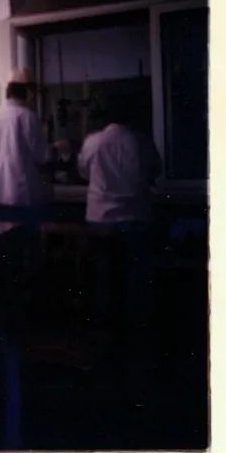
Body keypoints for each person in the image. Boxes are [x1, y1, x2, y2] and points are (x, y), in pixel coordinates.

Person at [77, 103, 161, 332]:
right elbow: (155, 170)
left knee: (104, 277)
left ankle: (106, 329)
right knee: (136, 279)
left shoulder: (93, 142)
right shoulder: (141, 141)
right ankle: (136, 330)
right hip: (135, 216)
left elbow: (83, 172)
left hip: (101, 219)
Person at [0, 67, 50, 226]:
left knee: (7, 235)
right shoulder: (27, 116)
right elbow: (42, 156)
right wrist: (56, 148)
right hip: (21, 194)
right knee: (26, 236)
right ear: (27, 91)